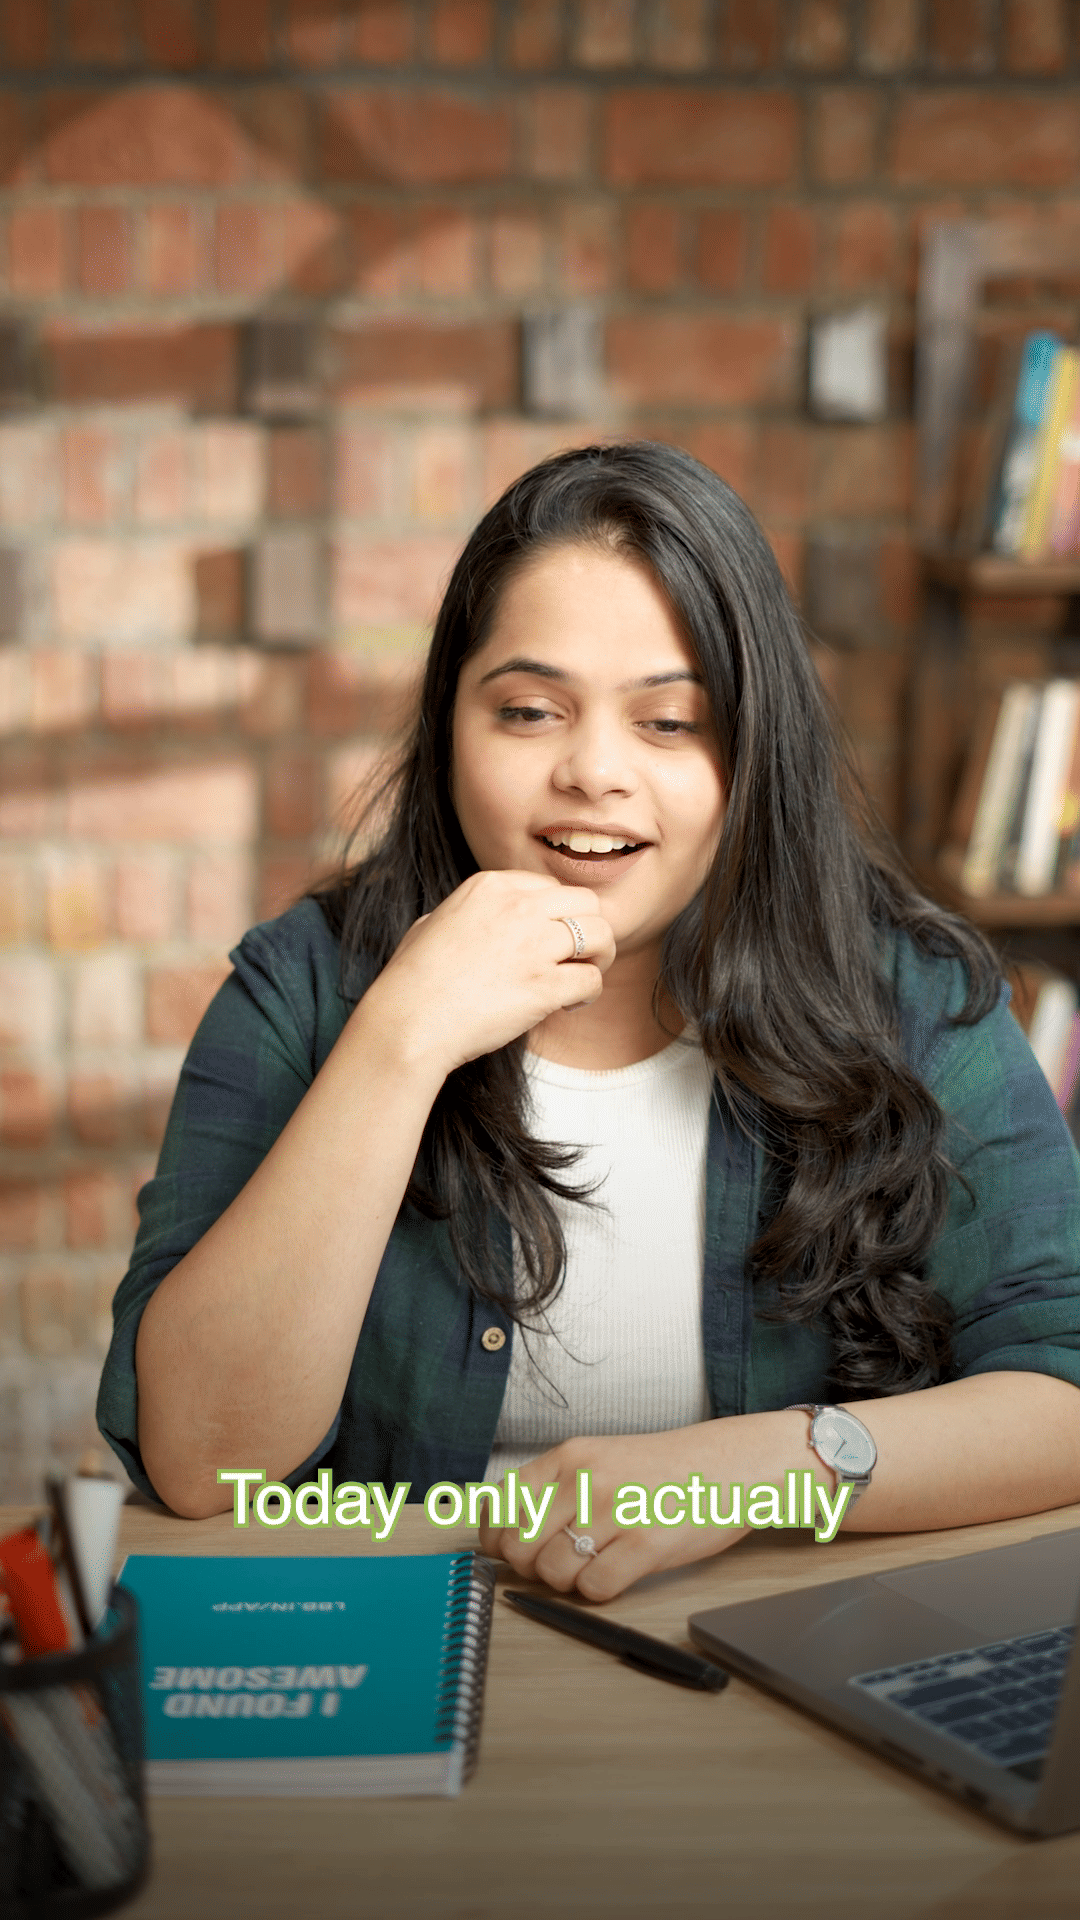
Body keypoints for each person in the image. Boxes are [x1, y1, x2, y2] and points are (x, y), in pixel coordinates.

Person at [97, 441, 1080, 1601]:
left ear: (753, 750)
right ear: (448, 726)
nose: (594, 773)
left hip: (769, 1675)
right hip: (399, 1662)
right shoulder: (309, 987)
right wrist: (401, 1038)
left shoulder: (908, 998)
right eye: (528, 711)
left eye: (668, 723)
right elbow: (206, 1460)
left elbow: (1062, 1392)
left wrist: (749, 1473)